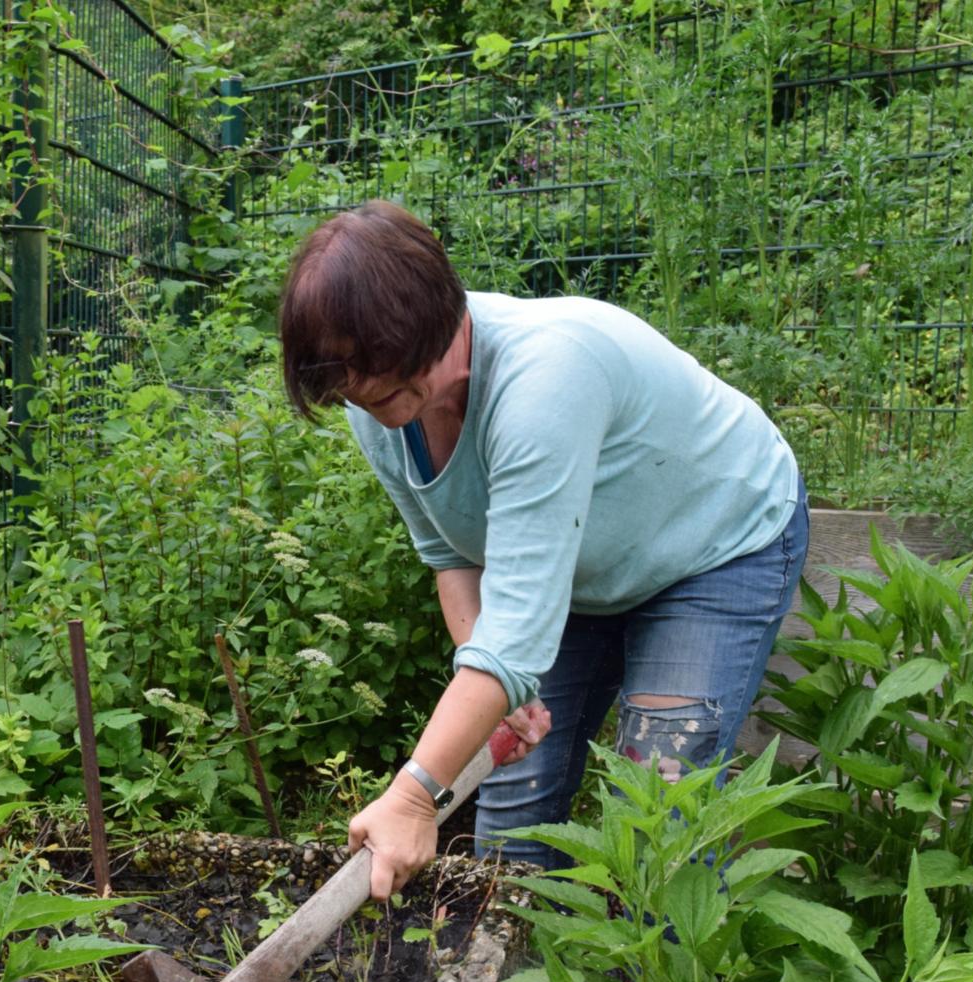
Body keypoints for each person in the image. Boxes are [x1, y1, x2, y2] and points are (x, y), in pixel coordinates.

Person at [278, 199, 808, 899]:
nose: (353, 398)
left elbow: (518, 637)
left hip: (712, 544)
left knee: (657, 803)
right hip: (578, 567)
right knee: (511, 820)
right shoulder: (372, 403)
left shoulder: (545, 380)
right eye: (343, 383)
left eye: (366, 380)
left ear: (421, 333)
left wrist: (412, 796)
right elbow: (451, 556)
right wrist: (499, 699)